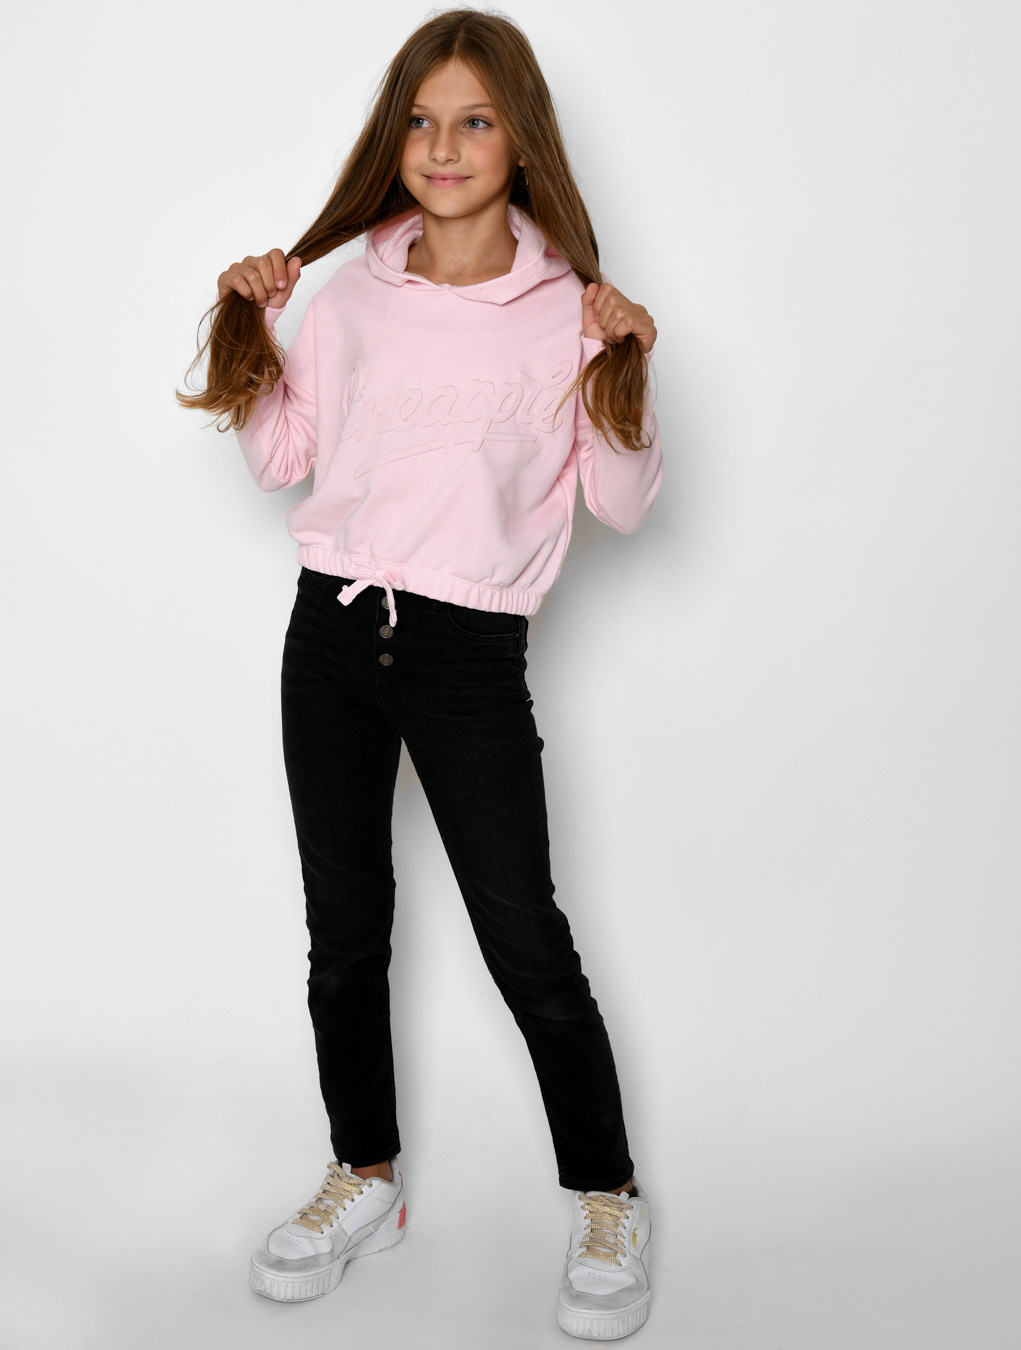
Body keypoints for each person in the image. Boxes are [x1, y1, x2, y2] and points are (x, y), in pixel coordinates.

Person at [178, 7, 663, 1340]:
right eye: (421, 120)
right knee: (345, 934)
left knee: (525, 937)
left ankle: (608, 1191)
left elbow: (623, 503)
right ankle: (367, 1173)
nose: (443, 146)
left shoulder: (569, 313)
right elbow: (282, 460)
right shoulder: (352, 295)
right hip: (330, 634)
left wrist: (629, 362)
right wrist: (249, 328)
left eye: (475, 120)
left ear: (523, 142)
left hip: (467, 655)